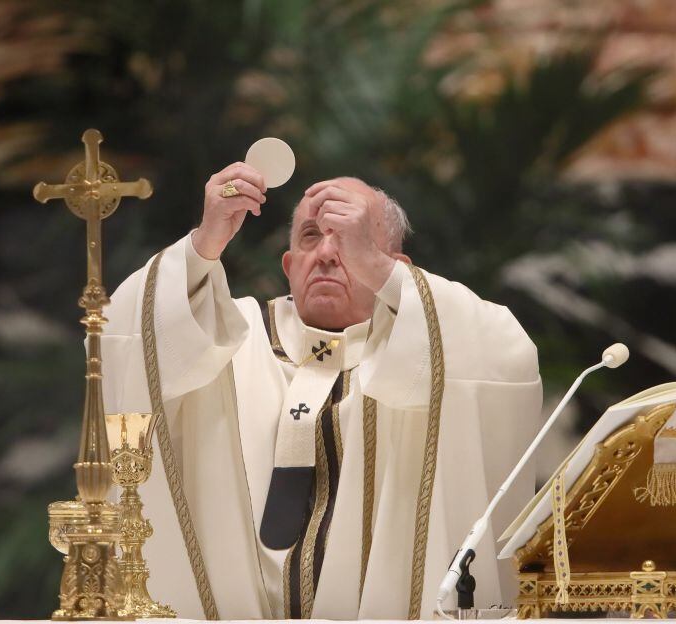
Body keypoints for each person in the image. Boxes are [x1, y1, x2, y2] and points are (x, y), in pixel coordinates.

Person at [100, 162, 542, 619]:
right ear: (290, 266)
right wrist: (203, 246)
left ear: (396, 268)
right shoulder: (225, 338)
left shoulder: (433, 345)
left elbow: (507, 357)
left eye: (352, 239)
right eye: (311, 236)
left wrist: (376, 269)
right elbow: (130, 335)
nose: (329, 253)